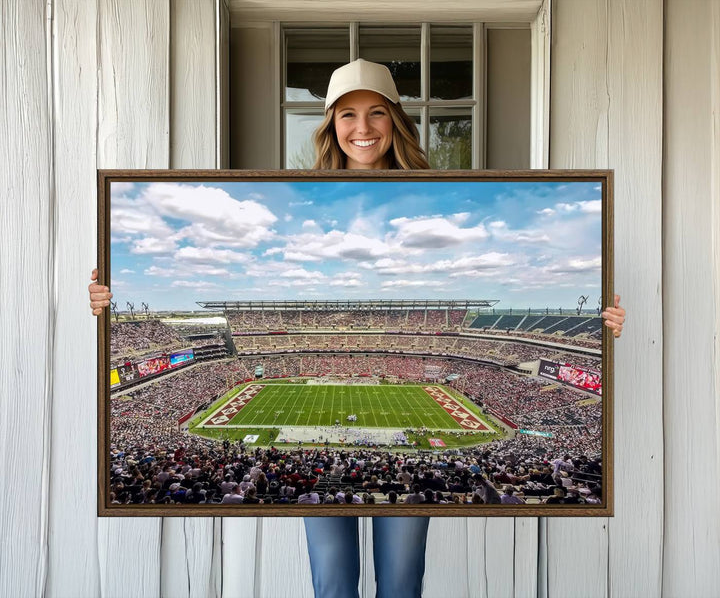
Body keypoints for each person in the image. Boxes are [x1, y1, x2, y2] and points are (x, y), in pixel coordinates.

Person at [87, 58, 627, 598]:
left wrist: (600, 325)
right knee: (332, 581)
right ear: (330, 125)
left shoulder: (437, 196)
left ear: (395, 120)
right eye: (347, 115)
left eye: (375, 113)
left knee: (400, 581)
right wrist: (105, 301)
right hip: (329, 462)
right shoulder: (301, 196)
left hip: (404, 457)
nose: (362, 128)